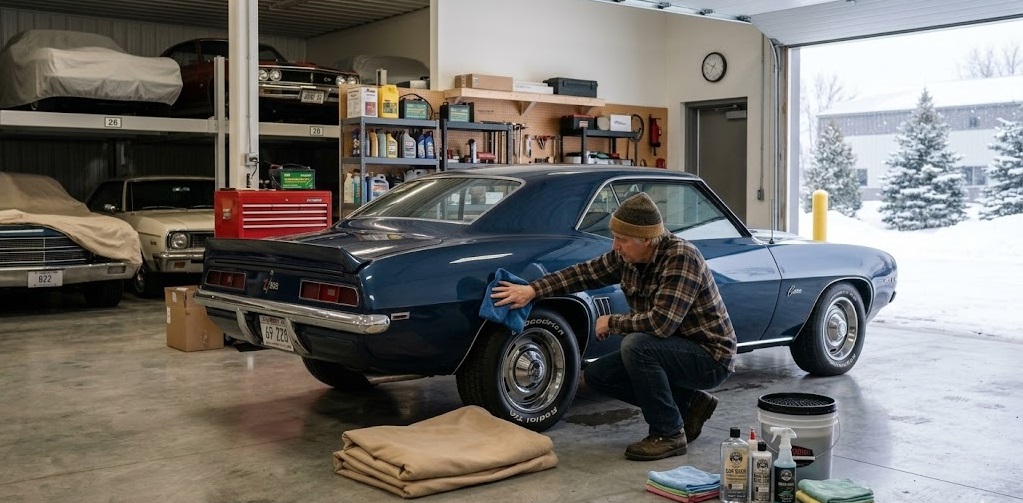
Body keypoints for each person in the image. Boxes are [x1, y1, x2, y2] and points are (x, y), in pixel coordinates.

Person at [491, 191, 737, 461]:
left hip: (710, 357)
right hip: (672, 350)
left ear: (646, 240)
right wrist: (533, 290)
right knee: (599, 375)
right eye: (614, 237)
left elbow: (661, 324)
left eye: (622, 239)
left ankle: (668, 434)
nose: (615, 246)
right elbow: (582, 274)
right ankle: (689, 405)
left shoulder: (681, 257)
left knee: (637, 345)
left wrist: (612, 321)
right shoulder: (629, 257)